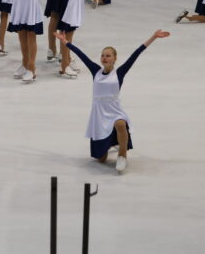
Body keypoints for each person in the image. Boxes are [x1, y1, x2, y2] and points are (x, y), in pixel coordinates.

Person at [58, 28, 171, 173]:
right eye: (103, 55)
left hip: (114, 110)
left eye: (108, 55)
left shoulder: (119, 73)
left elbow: (136, 54)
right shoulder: (96, 71)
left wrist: (153, 37)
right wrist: (65, 42)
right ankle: (113, 143)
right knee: (101, 160)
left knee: (120, 123)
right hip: (99, 113)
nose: (104, 58)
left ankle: (122, 155)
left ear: (114, 59)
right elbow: (81, 55)